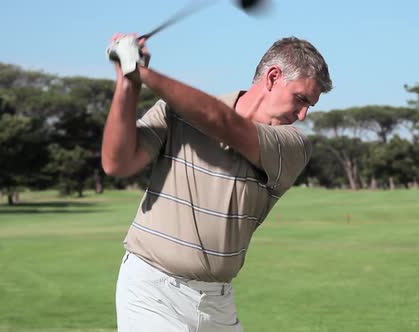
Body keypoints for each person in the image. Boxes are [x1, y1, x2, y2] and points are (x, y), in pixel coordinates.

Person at [102, 33, 332, 332]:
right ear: (273, 77)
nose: (302, 114)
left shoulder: (293, 144)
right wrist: (128, 83)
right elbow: (117, 163)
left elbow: (225, 124)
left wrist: (141, 71)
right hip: (151, 290)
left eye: (309, 106)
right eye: (300, 99)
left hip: (217, 301)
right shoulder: (175, 112)